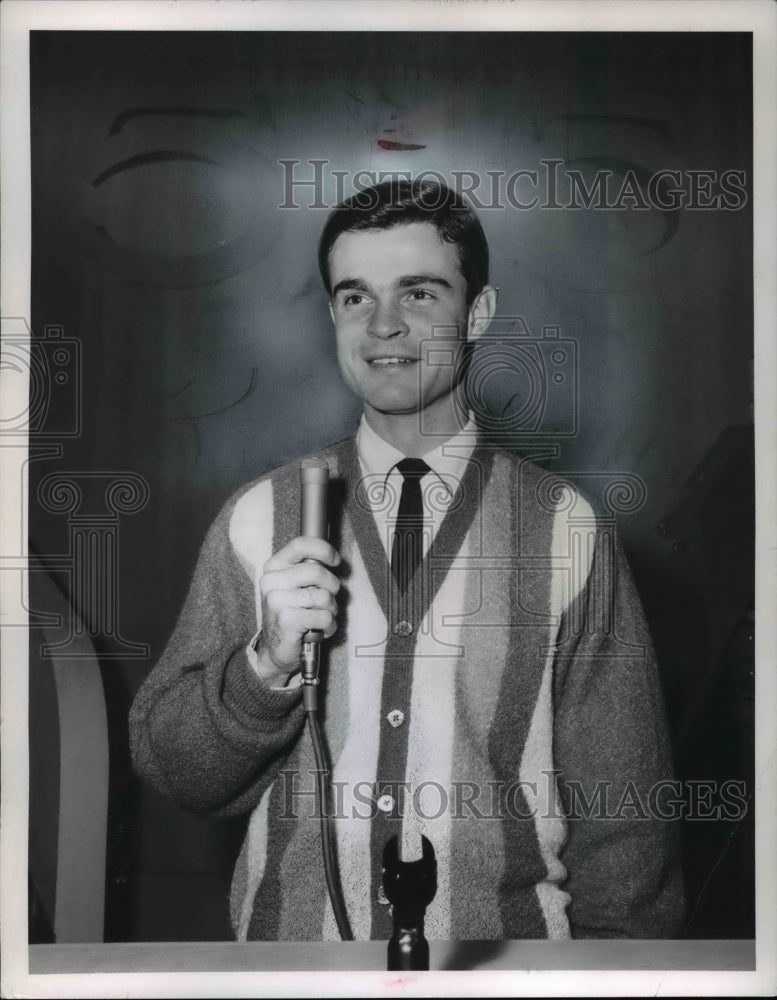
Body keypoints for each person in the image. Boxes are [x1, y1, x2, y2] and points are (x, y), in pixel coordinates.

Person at [129, 179, 684, 942]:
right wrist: (264, 667)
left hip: (506, 971)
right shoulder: (259, 517)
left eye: (418, 293)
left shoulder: (566, 526)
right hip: (294, 973)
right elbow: (177, 774)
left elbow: (626, 821)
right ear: (332, 315)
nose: (383, 325)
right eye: (354, 297)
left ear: (477, 312)